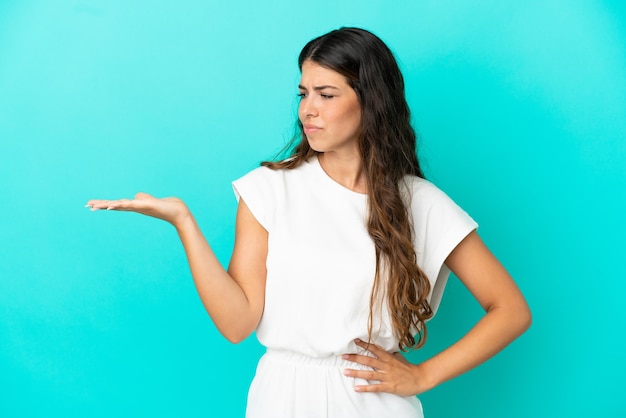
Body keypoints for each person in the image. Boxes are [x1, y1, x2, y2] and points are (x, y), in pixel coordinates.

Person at [86, 27, 531, 418]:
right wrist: (183, 222)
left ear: (371, 101)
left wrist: (424, 376)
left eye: (327, 94)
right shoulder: (270, 189)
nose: (307, 110)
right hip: (281, 398)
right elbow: (238, 323)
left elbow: (511, 310)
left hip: (372, 404)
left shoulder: (420, 203)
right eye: (303, 93)